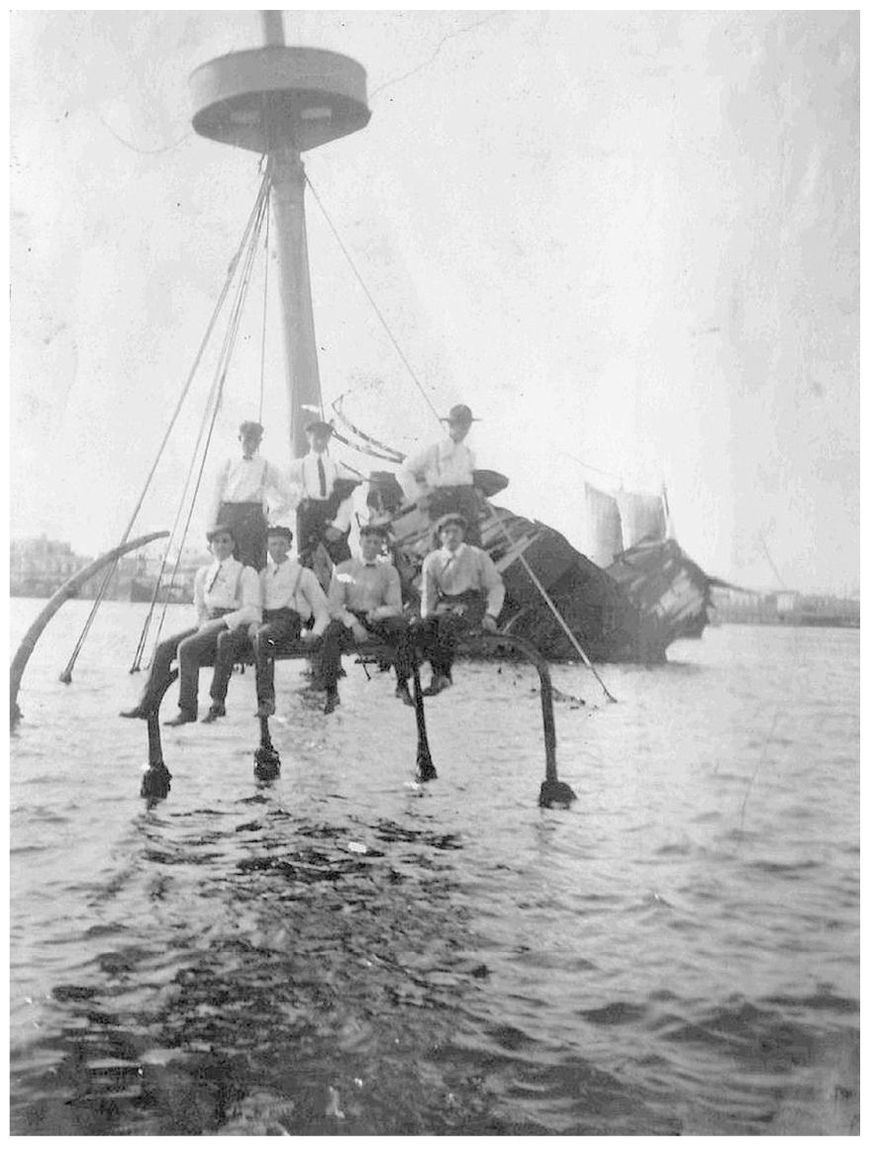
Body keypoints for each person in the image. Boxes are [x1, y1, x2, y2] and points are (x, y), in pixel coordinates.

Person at [120, 525, 261, 725]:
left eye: (225, 541)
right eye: (216, 542)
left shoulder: (245, 572)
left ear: (233, 545)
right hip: (207, 623)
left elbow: (252, 610)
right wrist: (204, 622)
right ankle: (147, 706)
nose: (220, 546)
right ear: (210, 547)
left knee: (187, 649)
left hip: (230, 624)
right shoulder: (204, 573)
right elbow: (199, 603)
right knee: (163, 648)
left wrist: (220, 622)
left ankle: (187, 710)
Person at [318, 523, 414, 714]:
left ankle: (402, 685)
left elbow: (395, 606)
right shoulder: (344, 568)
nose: (371, 546)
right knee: (330, 634)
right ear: (360, 542)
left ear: (382, 546)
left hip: (377, 616)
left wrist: (378, 613)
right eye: (368, 541)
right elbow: (334, 606)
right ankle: (331, 692)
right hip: (352, 615)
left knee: (402, 628)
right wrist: (353, 623)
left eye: (376, 543)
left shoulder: (389, 571)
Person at [244, 525, 330, 718]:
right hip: (266, 621)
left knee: (264, 637)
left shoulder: (303, 574)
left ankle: (266, 701)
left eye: (281, 544)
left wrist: (315, 634)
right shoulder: (262, 574)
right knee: (245, 636)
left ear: (289, 547)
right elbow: (256, 606)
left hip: (289, 622)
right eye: (272, 544)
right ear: (267, 547)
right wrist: (254, 622)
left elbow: (323, 610)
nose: (276, 549)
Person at [417, 511, 505, 696]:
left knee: (448, 623)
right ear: (440, 536)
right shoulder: (432, 560)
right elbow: (429, 593)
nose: (451, 536)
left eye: (455, 531)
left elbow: (496, 586)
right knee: (425, 625)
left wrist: (491, 614)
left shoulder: (477, 555)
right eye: (446, 532)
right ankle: (438, 676)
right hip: (446, 604)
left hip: (472, 603)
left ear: (463, 533)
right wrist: (428, 614)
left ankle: (444, 675)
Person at [209, 420, 298, 572]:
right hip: (228, 518)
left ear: (260, 441)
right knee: (226, 565)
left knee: (254, 567)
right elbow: (216, 497)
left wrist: (271, 516)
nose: (250, 445)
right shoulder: (227, 464)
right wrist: (211, 528)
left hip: (253, 520)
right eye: (246, 440)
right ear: (240, 439)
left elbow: (290, 496)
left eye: (254, 441)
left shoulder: (268, 467)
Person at [399, 403, 483, 544]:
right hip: (442, 503)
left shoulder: (469, 454)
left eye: (467, 426)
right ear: (451, 425)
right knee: (445, 548)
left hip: (467, 503)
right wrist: (418, 497)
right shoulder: (434, 449)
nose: (464, 431)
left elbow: (471, 478)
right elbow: (404, 471)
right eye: (460, 426)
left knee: (473, 546)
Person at [288, 418, 360, 577]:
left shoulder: (336, 466)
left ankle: (346, 599)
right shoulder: (298, 465)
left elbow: (347, 496)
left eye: (324, 437)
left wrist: (339, 525)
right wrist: (296, 502)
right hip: (309, 518)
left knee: (345, 565)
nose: (320, 441)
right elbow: (280, 488)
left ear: (329, 439)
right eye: (316, 437)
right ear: (308, 438)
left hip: (331, 515)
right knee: (308, 564)